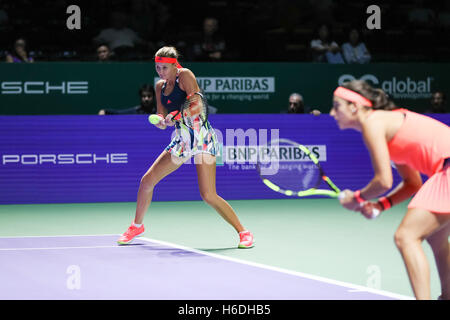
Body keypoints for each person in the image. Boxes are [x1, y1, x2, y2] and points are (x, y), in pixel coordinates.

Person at [117, 46, 254, 249]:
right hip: (181, 140)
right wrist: (162, 121)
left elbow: (198, 106)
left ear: (174, 65)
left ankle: (244, 232)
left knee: (208, 195)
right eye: (157, 67)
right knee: (147, 181)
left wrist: (178, 116)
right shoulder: (160, 87)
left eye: (164, 67)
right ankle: (136, 226)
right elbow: (163, 115)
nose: (160, 71)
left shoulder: (186, 76)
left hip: (202, 139)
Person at [331, 80, 450, 300]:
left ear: (354, 107)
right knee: (436, 238)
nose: (332, 112)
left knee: (406, 237)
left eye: (336, 106)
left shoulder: (373, 123)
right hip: (444, 171)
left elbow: (383, 181)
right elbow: (412, 183)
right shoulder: (390, 123)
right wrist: (380, 205)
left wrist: (356, 198)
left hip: (447, 170)